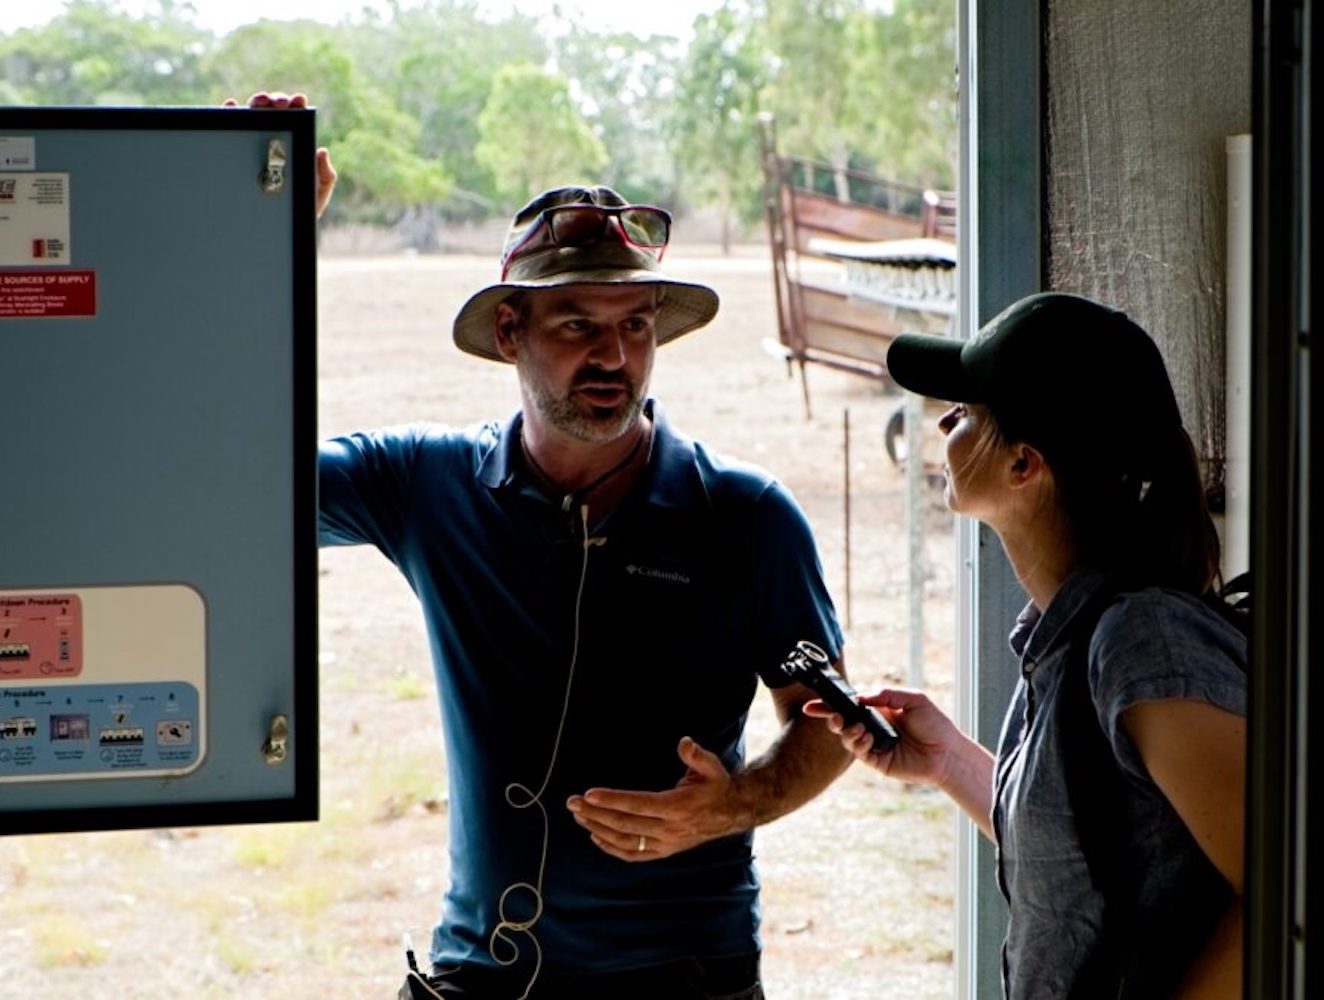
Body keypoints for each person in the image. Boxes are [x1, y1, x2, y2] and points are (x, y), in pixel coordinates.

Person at [241, 94, 856, 997]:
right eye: (577, 324)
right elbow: (240, 489)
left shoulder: (747, 516)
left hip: (683, 976)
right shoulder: (427, 484)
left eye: (636, 324)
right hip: (479, 973)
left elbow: (830, 724)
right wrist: (254, 245)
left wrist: (736, 805)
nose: (614, 356)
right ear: (508, 332)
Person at [807, 292, 1247, 999]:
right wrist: (949, 760)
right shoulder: (1073, 636)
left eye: (970, 413)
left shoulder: (1142, 643)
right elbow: (1091, 851)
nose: (946, 420)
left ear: (1023, 464)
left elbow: (1281, 890)